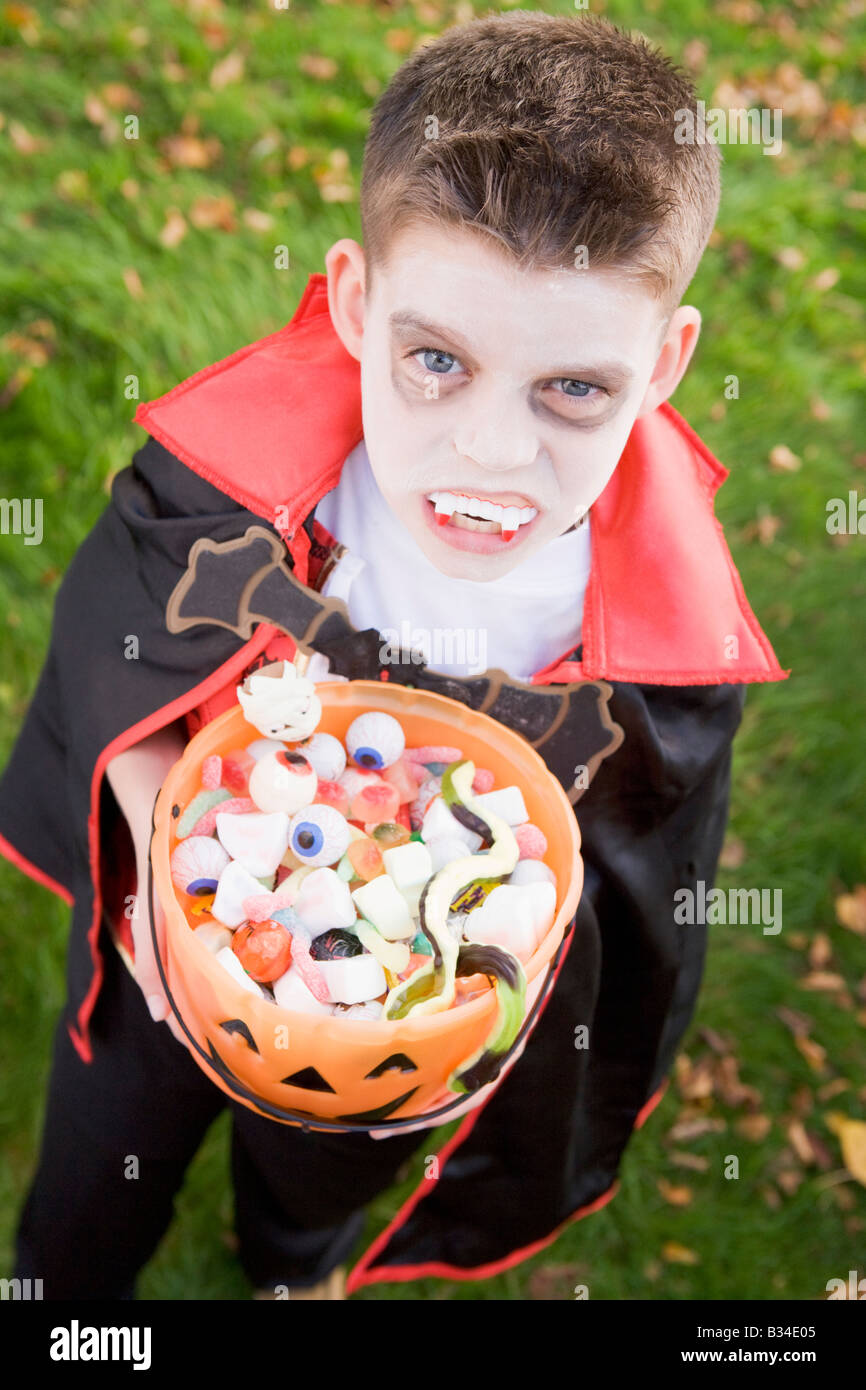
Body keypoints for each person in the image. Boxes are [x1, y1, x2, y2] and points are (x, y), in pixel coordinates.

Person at [0, 11, 788, 1300]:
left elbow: (635, 875)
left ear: (665, 365)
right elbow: (118, 648)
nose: (489, 453)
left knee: (314, 1179)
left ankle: (289, 1268)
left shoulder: (661, 644)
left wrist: (456, 993)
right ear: (359, 306)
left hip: (400, 1023)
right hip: (184, 922)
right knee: (102, 1160)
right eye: (436, 361)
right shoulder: (233, 484)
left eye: (572, 389)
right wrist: (156, 843)